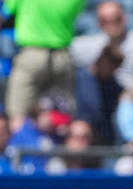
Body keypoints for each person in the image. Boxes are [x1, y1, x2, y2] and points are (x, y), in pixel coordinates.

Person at [3, 0, 85, 132]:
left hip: (32, 55)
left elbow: (8, 10)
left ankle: (18, 150)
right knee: (61, 117)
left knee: (17, 115)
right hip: (62, 58)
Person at [71, 1, 133, 89]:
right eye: (105, 21)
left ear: (124, 18)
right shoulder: (88, 46)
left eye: (116, 19)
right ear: (98, 23)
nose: (111, 24)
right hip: (103, 97)